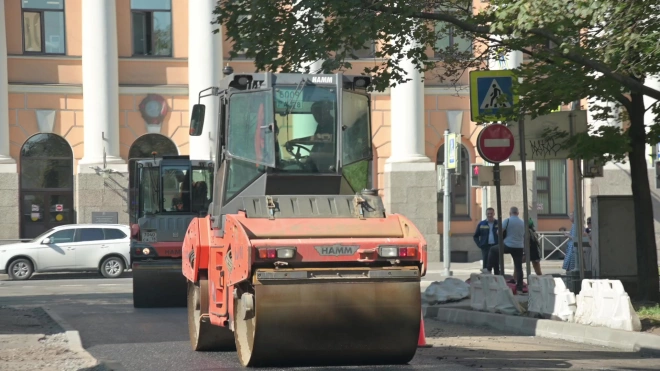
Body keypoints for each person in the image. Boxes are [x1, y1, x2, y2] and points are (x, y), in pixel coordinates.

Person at [487, 206, 526, 291]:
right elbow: (524, 235)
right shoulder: (522, 222)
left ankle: (489, 269)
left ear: (510, 213)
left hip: (508, 245)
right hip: (519, 247)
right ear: (518, 213)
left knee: (493, 250)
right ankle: (519, 287)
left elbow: (498, 232)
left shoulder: (507, 221)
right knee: (519, 267)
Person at [473, 207, 499, 273]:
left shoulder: (498, 223)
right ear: (486, 214)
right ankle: (486, 279)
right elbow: (475, 236)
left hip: (496, 246)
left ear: (494, 214)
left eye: (491, 213)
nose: (489, 215)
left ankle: (497, 279)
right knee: (486, 265)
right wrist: (480, 245)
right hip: (486, 247)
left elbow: (504, 235)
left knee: (496, 264)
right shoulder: (481, 224)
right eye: (488, 214)